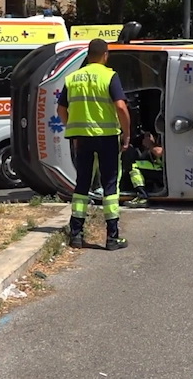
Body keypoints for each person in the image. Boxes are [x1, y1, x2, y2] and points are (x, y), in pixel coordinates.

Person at [56, 38, 132, 251]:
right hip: (107, 137)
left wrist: (72, 127)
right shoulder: (109, 76)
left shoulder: (72, 78)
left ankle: (77, 234)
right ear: (105, 55)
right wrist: (126, 133)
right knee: (110, 185)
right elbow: (120, 107)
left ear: (88, 56)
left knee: (82, 184)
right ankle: (112, 237)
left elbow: (61, 110)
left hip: (82, 138)